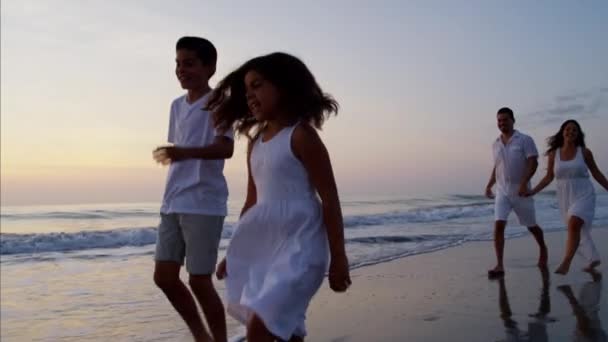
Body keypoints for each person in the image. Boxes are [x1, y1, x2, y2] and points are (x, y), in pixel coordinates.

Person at [207, 52, 351, 341]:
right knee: (286, 330)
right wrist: (234, 252)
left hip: (302, 247)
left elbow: (330, 200)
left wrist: (339, 257)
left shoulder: (301, 137)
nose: (250, 96)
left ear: (284, 86)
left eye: (257, 85)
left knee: (259, 327)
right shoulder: (255, 143)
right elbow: (252, 203)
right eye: (246, 90)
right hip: (267, 249)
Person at [152, 36, 234, 342]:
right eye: (177, 63)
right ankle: (202, 336)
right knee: (164, 277)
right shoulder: (176, 106)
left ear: (209, 67)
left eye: (189, 63)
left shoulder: (219, 102)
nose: (181, 70)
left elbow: (225, 148)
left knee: (200, 281)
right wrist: (174, 154)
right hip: (173, 201)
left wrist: (185, 153)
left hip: (203, 202)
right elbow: (179, 147)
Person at [528, 119, 608, 275]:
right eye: (567, 129)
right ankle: (592, 258)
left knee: (574, 223)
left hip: (584, 193)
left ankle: (566, 262)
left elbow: (596, 173)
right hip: (565, 196)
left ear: (578, 134)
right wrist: (533, 191)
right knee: (577, 229)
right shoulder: (554, 154)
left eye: (574, 130)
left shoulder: (584, 152)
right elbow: (548, 177)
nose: (570, 132)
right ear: (562, 132)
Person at [485, 107, 548, 277]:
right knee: (499, 225)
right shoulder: (495, 144)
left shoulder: (525, 140)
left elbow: (532, 162)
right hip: (502, 192)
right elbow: (497, 166)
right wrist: (489, 184)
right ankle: (499, 265)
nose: (502, 123)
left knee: (531, 226)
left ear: (513, 120)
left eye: (505, 119)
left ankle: (543, 248)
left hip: (521, 191)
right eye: (499, 120)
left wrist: (523, 183)